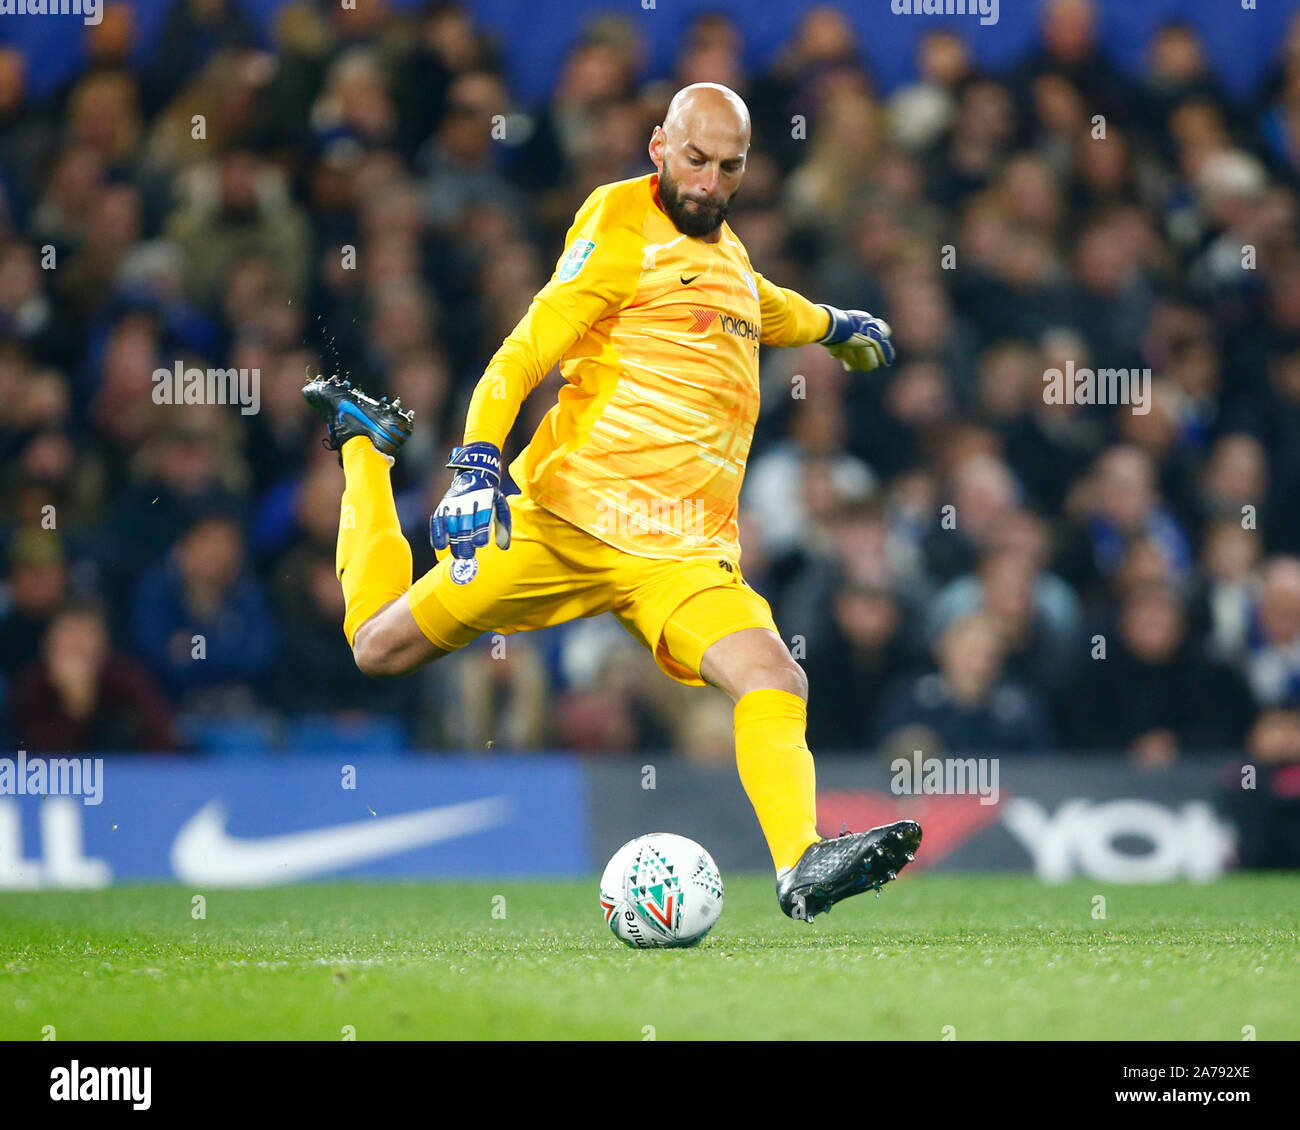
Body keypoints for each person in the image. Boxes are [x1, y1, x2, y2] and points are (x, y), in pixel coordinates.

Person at [303, 83, 920, 922]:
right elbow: (524, 353)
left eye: (729, 167)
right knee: (377, 647)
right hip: (564, 521)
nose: (708, 182)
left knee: (775, 673)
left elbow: (767, 309)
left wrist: (837, 325)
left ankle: (800, 864)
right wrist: (478, 461)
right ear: (659, 145)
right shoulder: (620, 224)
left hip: (683, 554)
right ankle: (366, 448)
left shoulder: (729, 260)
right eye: (695, 160)